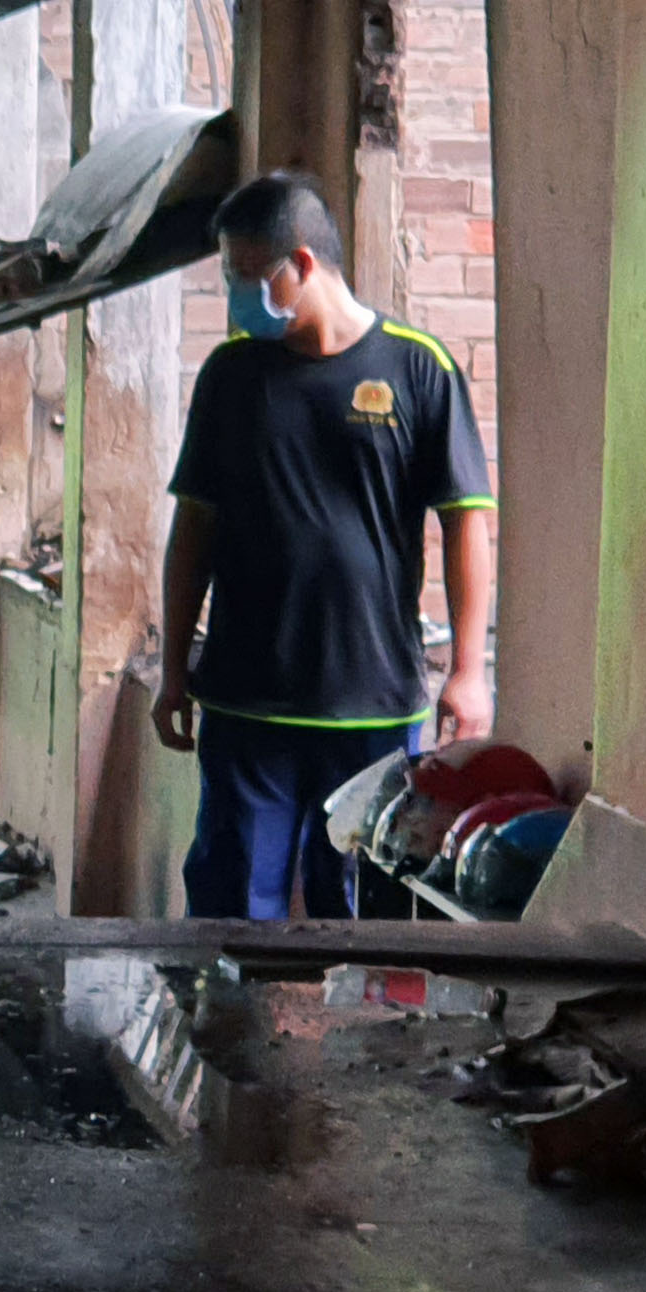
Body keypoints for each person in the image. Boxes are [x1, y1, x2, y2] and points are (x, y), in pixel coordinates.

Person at [150, 169, 497, 921]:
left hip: (370, 701)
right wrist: (174, 668)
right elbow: (193, 532)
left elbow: (467, 517)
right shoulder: (229, 378)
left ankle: (370, 1040)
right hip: (248, 704)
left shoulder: (417, 368)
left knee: (372, 910)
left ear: (303, 265)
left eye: (249, 277)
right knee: (235, 907)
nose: (239, 298)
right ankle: (231, 1039)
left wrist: (468, 671)